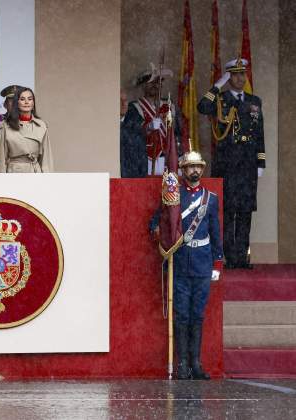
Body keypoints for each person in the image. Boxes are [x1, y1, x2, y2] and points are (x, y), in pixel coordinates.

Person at [150, 152, 223, 380]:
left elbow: (215, 232)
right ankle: (182, 363)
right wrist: (160, 233)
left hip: (202, 261)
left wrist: (217, 263)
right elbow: (156, 222)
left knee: (197, 315)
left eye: (197, 167)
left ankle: (196, 363)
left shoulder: (210, 199)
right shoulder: (174, 196)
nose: (194, 171)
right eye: (190, 167)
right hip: (180, 262)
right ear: (182, 169)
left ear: (202, 170)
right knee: (181, 314)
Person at [197, 58, 265, 269]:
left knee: (245, 211)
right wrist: (218, 85)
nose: (240, 78)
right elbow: (202, 106)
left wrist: (261, 161)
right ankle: (228, 257)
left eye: (242, 74)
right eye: (234, 74)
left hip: (247, 164)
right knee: (227, 211)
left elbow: (260, 133)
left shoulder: (255, 101)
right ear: (229, 77)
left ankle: (241, 257)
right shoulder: (221, 99)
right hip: (227, 162)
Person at [123, 64, 180, 176]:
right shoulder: (134, 107)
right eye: (151, 82)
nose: (155, 85)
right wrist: (147, 127)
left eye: (157, 82)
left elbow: (178, 131)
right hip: (146, 156)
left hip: (168, 155)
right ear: (143, 85)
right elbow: (130, 133)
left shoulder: (170, 106)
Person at [0, 87, 53, 173]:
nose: (26, 102)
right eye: (22, 99)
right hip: (14, 172)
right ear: (16, 103)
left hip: (35, 171)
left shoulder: (41, 126)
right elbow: (1, 159)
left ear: (33, 103)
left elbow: (46, 159)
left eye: (30, 99)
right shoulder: (5, 126)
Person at [120, 88, 147, 178]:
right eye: (119, 100)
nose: (123, 104)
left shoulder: (136, 124)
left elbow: (142, 156)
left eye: (125, 100)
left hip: (132, 179)